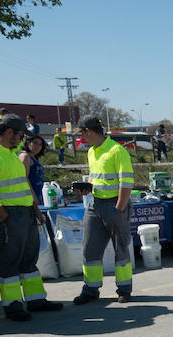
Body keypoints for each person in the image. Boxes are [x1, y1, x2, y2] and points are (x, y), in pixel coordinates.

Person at [0, 114, 62, 320]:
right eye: (20, 135)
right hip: (9, 214)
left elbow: (23, 185)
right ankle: (12, 306)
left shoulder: (10, 153)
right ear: (9, 132)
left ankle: (36, 300)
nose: (22, 139)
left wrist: (35, 210)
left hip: (25, 213)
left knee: (29, 259)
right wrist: (6, 218)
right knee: (10, 261)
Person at [73, 116, 135, 305]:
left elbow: (126, 183)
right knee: (89, 248)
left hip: (115, 205)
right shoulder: (92, 152)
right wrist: (87, 187)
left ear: (88, 131)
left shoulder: (117, 150)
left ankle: (124, 289)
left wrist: (119, 208)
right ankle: (90, 290)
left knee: (121, 248)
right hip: (95, 204)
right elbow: (95, 178)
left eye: (81, 133)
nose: (80, 137)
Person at [18, 135, 46, 206]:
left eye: (40, 144)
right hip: (30, 196)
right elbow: (24, 178)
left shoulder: (33, 157)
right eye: (35, 143)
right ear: (28, 143)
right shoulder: (25, 156)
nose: (38, 146)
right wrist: (33, 198)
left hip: (39, 193)